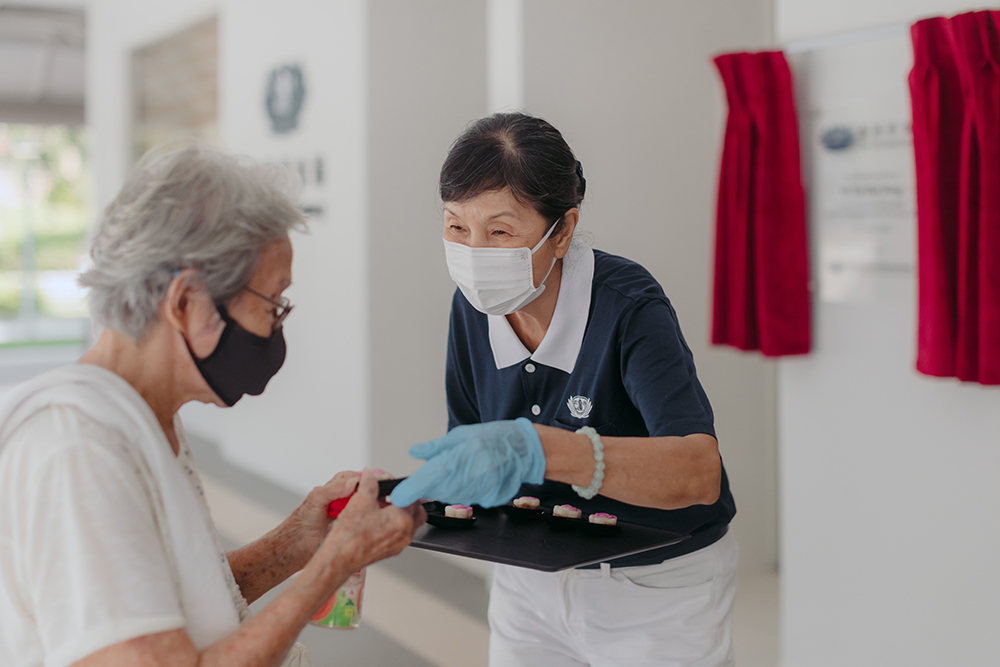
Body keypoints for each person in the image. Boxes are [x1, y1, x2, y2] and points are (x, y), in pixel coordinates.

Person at [0, 144, 425, 667]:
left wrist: (292, 545)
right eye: (273, 304)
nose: (277, 328)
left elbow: (168, 602)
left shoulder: (140, 420)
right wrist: (334, 564)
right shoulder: (78, 451)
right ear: (185, 302)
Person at [390, 113, 738, 667]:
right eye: (457, 227)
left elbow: (699, 472)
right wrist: (393, 507)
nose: (475, 253)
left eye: (500, 231)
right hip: (528, 581)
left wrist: (551, 451)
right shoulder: (472, 309)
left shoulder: (626, 304)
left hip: (653, 589)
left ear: (564, 231)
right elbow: (476, 458)